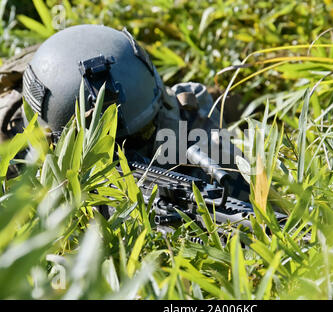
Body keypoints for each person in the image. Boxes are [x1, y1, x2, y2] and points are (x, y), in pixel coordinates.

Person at [0, 24, 249, 201]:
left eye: (138, 139)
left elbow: (246, 193)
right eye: (109, 151)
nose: (124, 158)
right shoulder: (11, 141)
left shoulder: (183, 121)